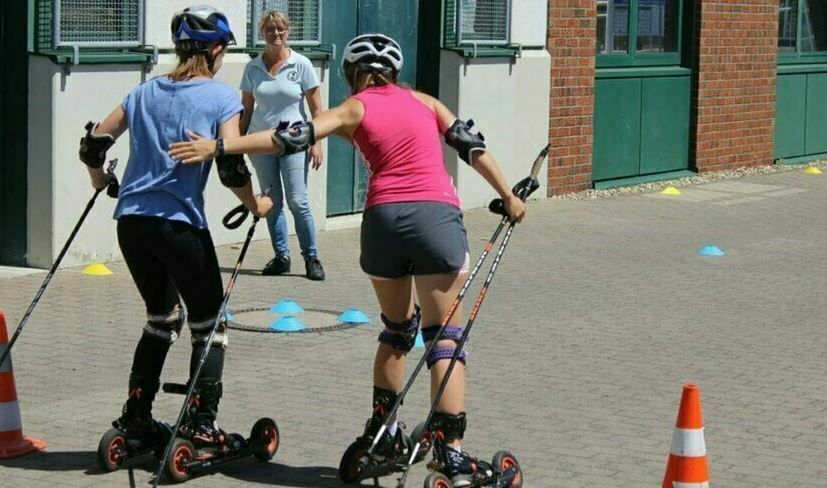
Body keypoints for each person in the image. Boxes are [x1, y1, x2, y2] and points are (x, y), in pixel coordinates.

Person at [168, 33, 526, 486]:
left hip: (382, 222)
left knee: (399, 330)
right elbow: (471, 147)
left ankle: (383, 433)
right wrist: (509, 197)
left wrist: (220, 147)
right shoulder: (427, 103)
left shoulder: (352, 108)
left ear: (353, 74)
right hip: (435, 216)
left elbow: (288, 138)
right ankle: (450, 456)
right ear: (395, 73)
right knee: (445, 338)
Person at [80, 5, 272, 452]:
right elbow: (229, 164)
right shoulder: (222, 98)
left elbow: (93, 144)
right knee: (211, 325)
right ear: (217, 50)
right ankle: (201, 427)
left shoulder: (143, 92)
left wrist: (102, 179)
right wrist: (256, 204)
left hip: (131, 223)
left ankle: (136, 418)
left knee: (162, 318)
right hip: (178, 225)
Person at [239, 10, 325, 280]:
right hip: (261, 142)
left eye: (280, 29)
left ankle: (311, 258)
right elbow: (246, 108)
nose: (275, 34)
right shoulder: (252, 67)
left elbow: (317, 110)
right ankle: (281, 256)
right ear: (261, 33)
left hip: (294, 141)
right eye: (269, 29)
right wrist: (237, 146)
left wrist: (317, 143)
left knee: (298, 201)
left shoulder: (301, 64)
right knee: (271, 202)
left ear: (288, 32)